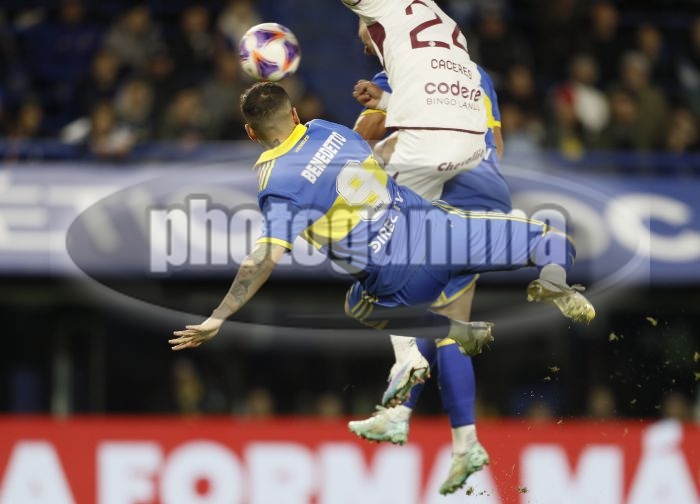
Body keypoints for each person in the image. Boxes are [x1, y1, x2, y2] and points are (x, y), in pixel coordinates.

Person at [170, 83, 594, 380]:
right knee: (552, 240)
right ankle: (555, 281)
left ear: (251, 132)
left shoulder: (278, 184)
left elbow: (263, 259)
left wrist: (218, 316)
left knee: (359, 306)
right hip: (441, 233)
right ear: (295, 114)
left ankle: (457, 333)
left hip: (400, 283)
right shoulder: (329, 129)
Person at [348, 61, 509, 494]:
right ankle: (457, 440)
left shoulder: (404, 65)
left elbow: (363, 136)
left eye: (368, 31)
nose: (366, 40)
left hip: (448, 204)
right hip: (484, 198)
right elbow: (495, 143)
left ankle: (405, 415)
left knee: (387, 289)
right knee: (447, 323)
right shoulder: (476, 72)